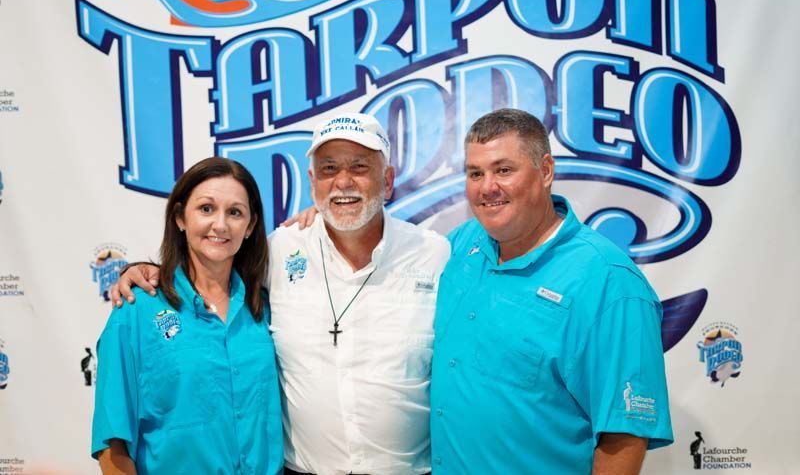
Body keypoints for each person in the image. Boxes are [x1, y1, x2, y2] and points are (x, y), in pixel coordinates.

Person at [110, 113, 450, 475]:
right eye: (329, 169)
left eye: (360, 167)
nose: (343, 182)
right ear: (312, 182)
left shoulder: (436, 255)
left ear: (387, 179)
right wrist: (146, 270)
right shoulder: (279, 251)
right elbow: (207, 265)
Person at [429, 108, 673, 474]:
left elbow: (624, 437)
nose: (487, 187)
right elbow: (384, 252)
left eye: (504, 170)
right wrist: (317, 224)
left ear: (545, 171)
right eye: (475, 173)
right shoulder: (461, 247)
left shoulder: (610, 282)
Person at [92, 157, 283, 474]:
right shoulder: (136, 310)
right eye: (206, 208)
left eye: (235, 212)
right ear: (180, 217)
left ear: (250, 226)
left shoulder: (266, 307)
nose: (220, 225)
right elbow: (112, 445)